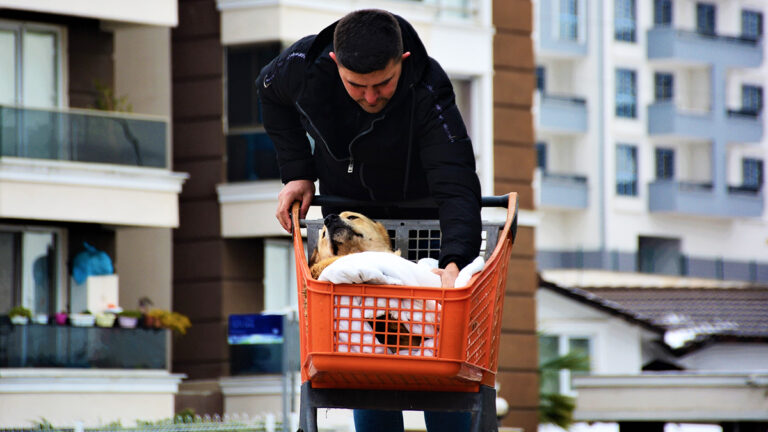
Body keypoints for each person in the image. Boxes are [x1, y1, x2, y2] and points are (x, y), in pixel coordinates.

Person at [257, 9, 480, 431]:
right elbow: (268, 92)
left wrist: (454, 261)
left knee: (436, 355)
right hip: (351, 220)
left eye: (384, 83)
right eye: (357, 85)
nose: (372, 97)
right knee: (368, 353)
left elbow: (455, 181)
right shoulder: (302, 66)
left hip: (426, 218)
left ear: (403, 61)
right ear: (335, 63)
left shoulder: (429, 86)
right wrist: (298, 172)